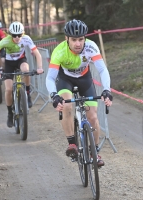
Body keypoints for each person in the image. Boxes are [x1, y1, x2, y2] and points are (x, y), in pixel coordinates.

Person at [45, 19, 113, 167]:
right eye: (74, 40)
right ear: (66, 39)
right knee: (67, 105)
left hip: (85, 79)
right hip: (65, 80)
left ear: (85, 38)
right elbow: (50, 77)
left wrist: (107, 90)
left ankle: (94, 151)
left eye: (81, 39)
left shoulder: (91, 47)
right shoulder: (59, 51)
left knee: (93, 116)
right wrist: (54, 96)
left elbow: (102, 69)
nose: (78, 43)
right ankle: (72, 144)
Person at [0, 21, 44, 127]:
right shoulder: (5, 41)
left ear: (23, 33)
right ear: (10, 34)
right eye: (14, 35)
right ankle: (10, 113)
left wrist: (40, 68)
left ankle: (27, 93)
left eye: (19, 35)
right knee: (8, 89)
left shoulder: (27, 39)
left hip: (20, 60)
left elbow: (37, 53)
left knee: (26, 70)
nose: (17, 37)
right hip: (9, 64)